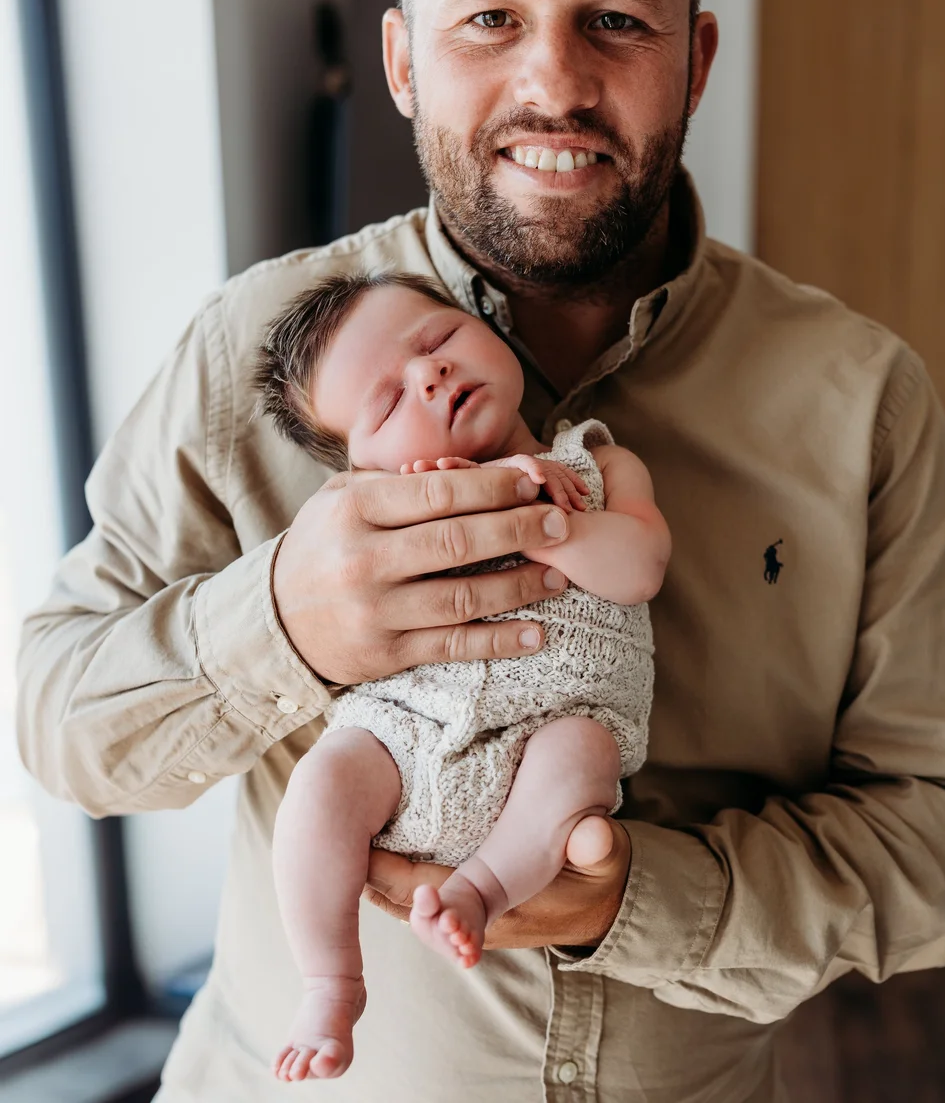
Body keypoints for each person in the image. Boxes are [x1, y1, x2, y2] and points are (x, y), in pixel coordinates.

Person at [17, 0, 945, 1103]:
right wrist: (283, 621)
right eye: (490, 19)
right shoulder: (257, 349)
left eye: (616, 18)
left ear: (696, 60)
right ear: (405, 59)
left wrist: (632, 901)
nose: (555, 80)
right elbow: (57, 716)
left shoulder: (861, 404)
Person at [254, 270, 665, 1081]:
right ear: (359, 462)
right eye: (387, 402)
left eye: (437, 341)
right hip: (407, 738)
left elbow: (640, 569)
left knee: (582, 758)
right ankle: (330, 980)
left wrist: (551, 524)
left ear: (492, 331)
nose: (430, 375)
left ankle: (480, 889)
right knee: (321, 783)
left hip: (556, 728)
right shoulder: (373, 513)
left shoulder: (599, 461)